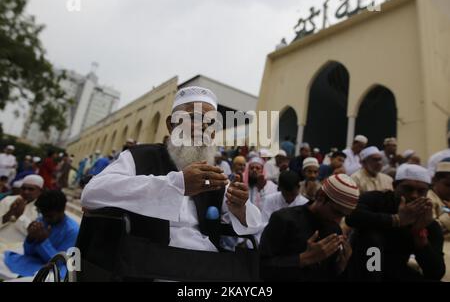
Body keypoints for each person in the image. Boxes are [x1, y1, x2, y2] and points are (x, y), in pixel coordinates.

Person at [81, 86, 261, 256]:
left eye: (211, 122)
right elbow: (91, 193)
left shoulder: (213, 174)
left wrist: (239, 208)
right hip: (145, 265)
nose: (204, 127)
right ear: (171, 124)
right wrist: (177, 184)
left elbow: (253, 224)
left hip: (204, 266)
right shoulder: (139, 157)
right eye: (196, 118)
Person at [346, 164, 446, 281]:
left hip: (395, 270)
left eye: (421, 191)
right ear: (394, 186)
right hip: (363, 269)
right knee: (372, 237)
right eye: (408, 189)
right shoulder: (377, 200)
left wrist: (419, 236)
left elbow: (436, 273)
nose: (414, 195)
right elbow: (351, 216)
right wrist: (396, 220)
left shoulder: (427, 222)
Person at [259, 174, 360, 281]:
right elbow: (262, 267)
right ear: (321, 197)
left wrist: (341, 266)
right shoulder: (283, 220)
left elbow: (328, 274)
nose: (338, 220)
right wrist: (304, 258)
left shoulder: (334, 229)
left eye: (342, 216)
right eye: (336, 212)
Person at [0, 190, 79, 280]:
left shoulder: (73, 230)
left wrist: (44, 241)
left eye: (50, 216)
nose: (46, 219)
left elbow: (60, 262)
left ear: (62, 209)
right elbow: (28, 253)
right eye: (44, 215)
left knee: (48, 278)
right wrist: (30, 238)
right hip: (31, 262)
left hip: (52, 269)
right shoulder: (42, 219)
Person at [0, 175, 44, 254]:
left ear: (40, 191)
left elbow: (33, 234)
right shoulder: (8, 200)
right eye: (23, 188)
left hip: (18, 248)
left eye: (31, 189)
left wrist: (19, 216)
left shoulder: (42, 209)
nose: (26, 192)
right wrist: (9, 214)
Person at [427, 160, 450, 235]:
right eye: (448, 185)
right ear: (434, 180)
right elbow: (430, 229)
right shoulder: (428, 199)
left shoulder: (445, 197)